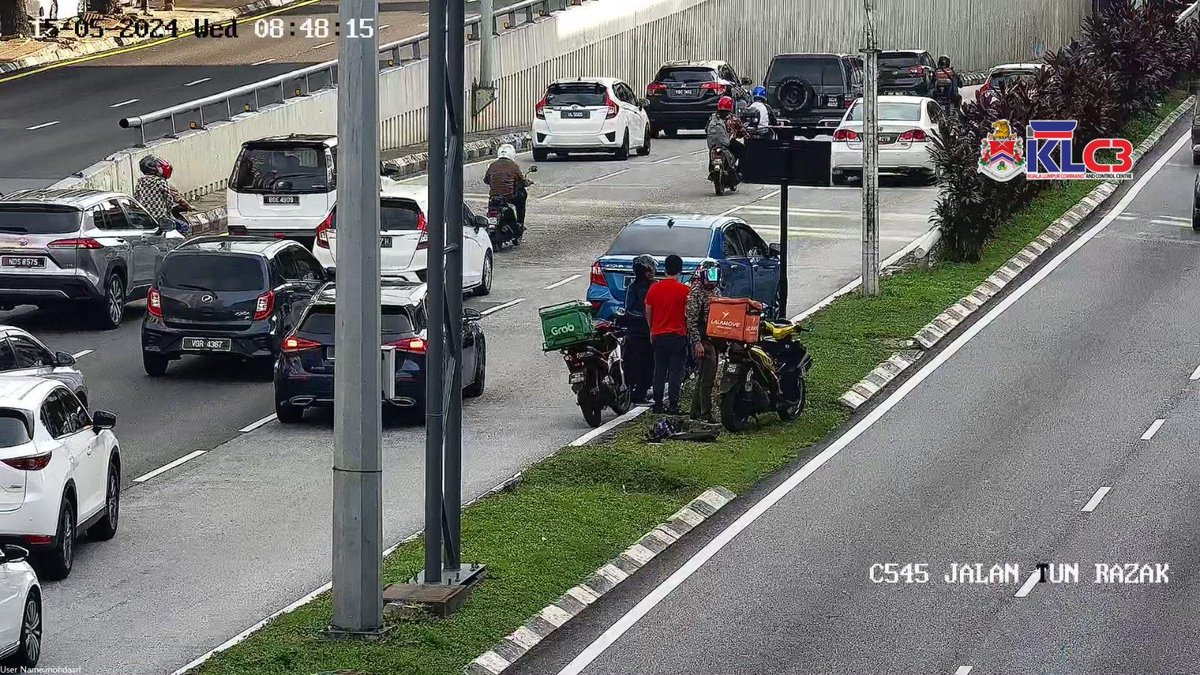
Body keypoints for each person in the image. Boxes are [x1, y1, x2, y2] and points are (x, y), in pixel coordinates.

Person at [642, 254, 690, 414]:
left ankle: (657, 403)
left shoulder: (654, 288)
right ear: (680, 270)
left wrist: (652, 329)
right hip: (678, 335)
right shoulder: (684, 291)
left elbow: (648, 311)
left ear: (664, 269)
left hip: (659, 335)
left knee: (660, 370)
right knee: (676, 371)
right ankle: (673, 403)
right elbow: (688, 314)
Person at [685, 258, 722, 423]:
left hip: (714, 338)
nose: (712, 279)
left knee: (705, 376)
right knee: (707, 377)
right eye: (709, 274)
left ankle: (695, 411)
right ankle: (705, 413)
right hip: (702, 339)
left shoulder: (716, 291)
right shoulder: (696, 293)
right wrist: (697, 342)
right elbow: (691, 321)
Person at [620, 254, 657, 405]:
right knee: (641, 365)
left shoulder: (654, 286)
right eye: (648, 271)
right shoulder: (633, 288)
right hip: (638, 333)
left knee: (650, 364)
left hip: (650, 331)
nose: (652, 273)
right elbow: (629, 308)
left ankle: (641, 391)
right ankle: (637, 394)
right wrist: (644, 317)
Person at [133, 155, 192, 236]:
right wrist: (169, 213)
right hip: (160, 217)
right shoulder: (160, 182)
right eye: (159, 166)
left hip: (145, 217)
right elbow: (168, 200)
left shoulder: (140, 182)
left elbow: (136, 198)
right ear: (153, 169)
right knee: (184, 227)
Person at [484, 143, 531, 226]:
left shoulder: (492, 165)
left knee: (491, 204)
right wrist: (529, 182)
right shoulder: (514, 166)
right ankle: (520, 223)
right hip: (509, 197)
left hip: (494, 197)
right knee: (522, 195)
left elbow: (486, 180)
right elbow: (522, 182)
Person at [706, 96, 747, 167]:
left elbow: (706, 129)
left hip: (713, 144)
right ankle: (737, 169)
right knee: (743, 150)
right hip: (726, 144)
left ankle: (711, 166)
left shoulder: (712, 118)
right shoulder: (733, 119)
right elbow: (742, 132)